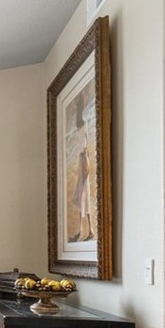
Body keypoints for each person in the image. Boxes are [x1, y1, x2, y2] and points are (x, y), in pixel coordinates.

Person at [67, 94, 94, 243]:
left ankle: (87, 231)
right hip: (82, 159)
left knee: (82, 197)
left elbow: (84, 147)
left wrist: (85, 168)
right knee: (81, 198)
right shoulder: (81, 125)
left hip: (83, 159)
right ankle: (85, 230)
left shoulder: (82, 125)